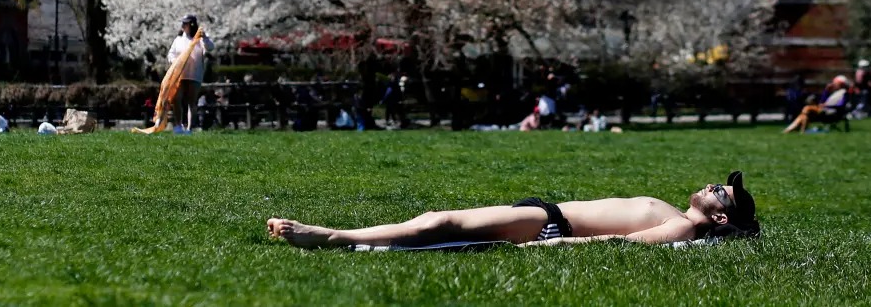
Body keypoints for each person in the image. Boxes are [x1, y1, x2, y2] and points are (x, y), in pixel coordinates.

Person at [268, 171, 759, 249]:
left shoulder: (680, 228)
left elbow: (619, 242)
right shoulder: (676, 213)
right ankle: (345, 236)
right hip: (544, 211)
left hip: (548, 222)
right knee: (438, 221)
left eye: (722, 194)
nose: (715, 186)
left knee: (442, 223)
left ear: (720, 218)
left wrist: (561, 242)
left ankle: (333, 235)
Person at [166, 14, 214, 134]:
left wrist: (205, 38)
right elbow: (171, 54)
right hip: (180, 73)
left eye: (185, 23)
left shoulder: (199, 39)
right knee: (177, 99)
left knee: (191, 101)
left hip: (194, 74)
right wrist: (174, 61)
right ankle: (178, 125)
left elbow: (210, 48)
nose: (183, 26)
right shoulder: (178, 40)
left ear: (191, 25)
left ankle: (189, 128)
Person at [782, 75, 849, 133]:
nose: (833, 84)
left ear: (841, 84)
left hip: (831, 113)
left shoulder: (844, 93)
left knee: (807, 108)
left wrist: (826, 105)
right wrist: (826, 91)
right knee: (804, 114)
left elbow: (841, 106)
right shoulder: (834, 93)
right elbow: (822, 101)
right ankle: (792, 130)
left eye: (835, 83)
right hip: (824, 111)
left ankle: (797, 130)